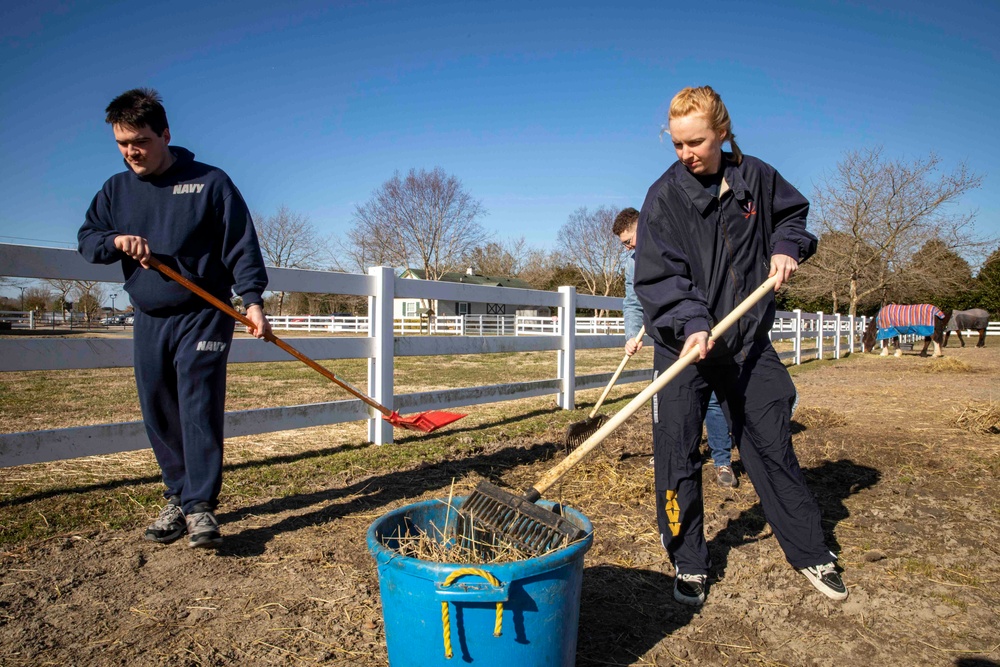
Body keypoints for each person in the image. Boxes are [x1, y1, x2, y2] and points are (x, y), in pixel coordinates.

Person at [633, 85, 847, 606]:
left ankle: (810, 551)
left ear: (722, 132)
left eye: (697, 142)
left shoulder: (756, 177)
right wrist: (691, 322)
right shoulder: (664, 198)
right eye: (678, 144)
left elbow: (794, 218)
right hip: (684, 346)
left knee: (772, 442)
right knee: (677, 453)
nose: (687, 154)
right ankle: (688, 561)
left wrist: (785, 248)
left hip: (747, 339)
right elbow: (660, 276)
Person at [78, 88, 271, 549]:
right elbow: (88, 240)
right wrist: (117, 241)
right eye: (122, 143)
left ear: (165, 133)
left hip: (205, 312)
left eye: (140, 140)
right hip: (148, 315)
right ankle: (177, 498)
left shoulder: (209, 182)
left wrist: (252, 300)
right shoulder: (115, 189)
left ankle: (201, 507)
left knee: (197, 404)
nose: (132, 152)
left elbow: (241, 245)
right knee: (159, 410)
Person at [613, 207, 737, 488]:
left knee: (714, 401)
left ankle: (722, 461)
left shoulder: (677, 240)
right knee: (667, 399)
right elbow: (633, 303)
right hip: (667, 341)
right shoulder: (633, 264)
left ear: (644, 226)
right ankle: (672, 455)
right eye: (624, 244)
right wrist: (633, 335)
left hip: (703, 331)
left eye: (630, 239)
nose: (629, 247)